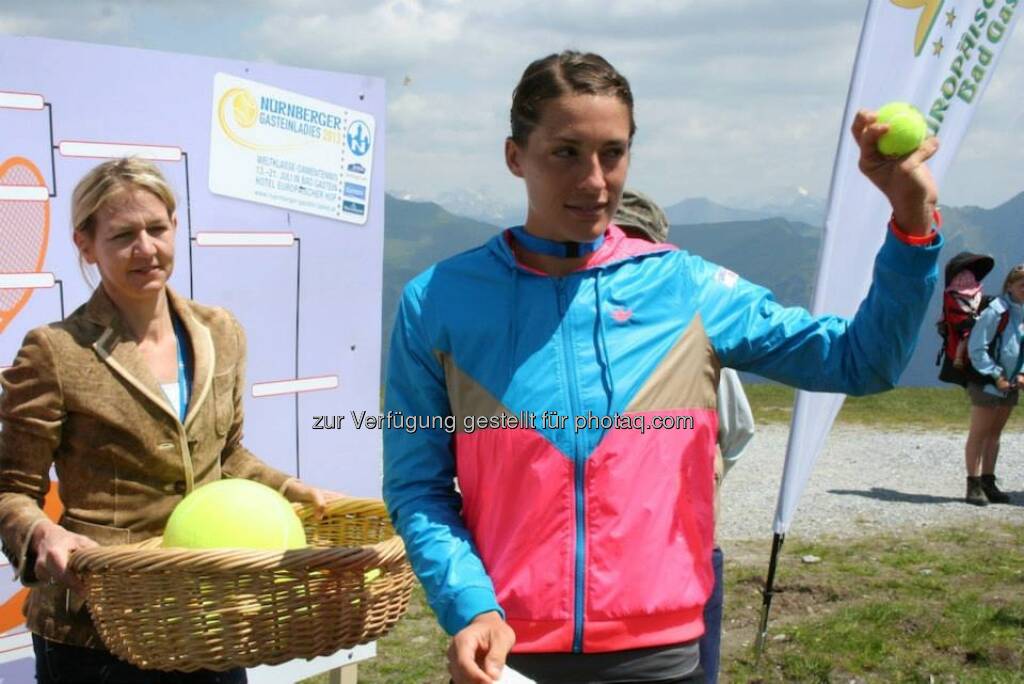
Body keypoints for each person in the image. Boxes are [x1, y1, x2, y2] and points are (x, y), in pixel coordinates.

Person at [383, 50, 942, 684]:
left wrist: (912, 221)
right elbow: (417, 487)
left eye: (612, 153)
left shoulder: (686, 288)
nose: (595, 180)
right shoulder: (437, 301)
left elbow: (861, 360)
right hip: (507, 651)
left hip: (663, 652)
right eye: (566, 152)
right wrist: (471, 606)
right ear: (515, 156)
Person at [0, 158, 336, 684]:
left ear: (176, 227)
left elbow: (226, 457)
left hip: (207, 613)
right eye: (123, 235)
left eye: (157, 228)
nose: (146, 248)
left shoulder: (220, 332)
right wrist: (41, 534)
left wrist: (291, 488)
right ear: (85, 245)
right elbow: (11, 490)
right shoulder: (56, 352)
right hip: (97, 627)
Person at [614, 189, 755, 683]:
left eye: (635, 248)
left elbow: (733, 433)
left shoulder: (694, 336)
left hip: (680, 557)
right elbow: (738, 433)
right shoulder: (692, 335)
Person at [963, 263, 1024, 505]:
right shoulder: (996, 311)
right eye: (1022, 285)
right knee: (979, 433)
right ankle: (973, 484)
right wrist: (995, 375)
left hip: (1010, 384)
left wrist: (1021, 374)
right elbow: (976, 348)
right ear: (1009, 285)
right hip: (988, 382)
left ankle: (988, 481)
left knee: (995, 434)